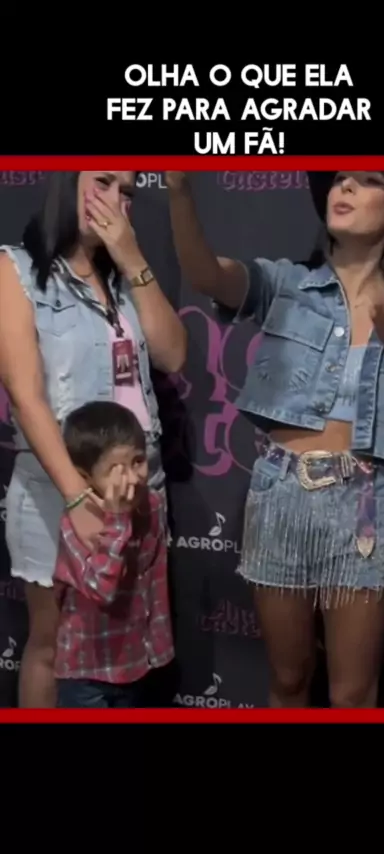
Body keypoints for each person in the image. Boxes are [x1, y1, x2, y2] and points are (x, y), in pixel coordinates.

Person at [166, 169, 384, 708]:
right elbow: (207, 275)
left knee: (352, 694)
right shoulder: (286, 284)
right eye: (338, 179)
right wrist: (178, 192)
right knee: (288, 679)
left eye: (367, 180)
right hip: (279, 495)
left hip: (366, 507)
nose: (344, 187)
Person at [0, 171, 186, 708]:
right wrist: (77, 497)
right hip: (58, 491)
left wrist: (133, 260)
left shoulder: (126, 280)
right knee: (53, 644)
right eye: (102, 181)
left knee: (124, 650)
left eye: (126, 192)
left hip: (138, 491)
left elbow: (174, 355)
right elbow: (24, 394)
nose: (115, 200)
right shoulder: (16, 269)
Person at [54, 401, 174, 708]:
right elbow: (102, 590)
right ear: (86, 477)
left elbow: (152, 581)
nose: (132, 479)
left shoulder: (153, 505)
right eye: (115, 471)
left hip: (137, 664)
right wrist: (118, 521)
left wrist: (157, 647)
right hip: (88, 672)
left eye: (137, 461)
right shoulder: (77, 524)